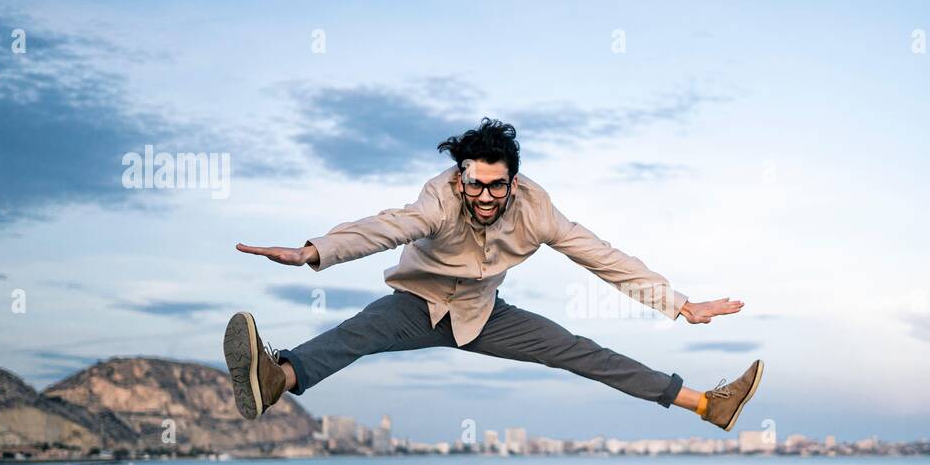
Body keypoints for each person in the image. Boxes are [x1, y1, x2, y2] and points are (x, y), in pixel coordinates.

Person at [224, 119, 763, 432]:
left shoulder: (537, 209)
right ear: (461, 179)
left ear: (512, 180)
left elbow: (601, 256)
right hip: (418, 304)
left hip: (482, 314)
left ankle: (706, 405)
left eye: (496, 186)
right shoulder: (437, 201)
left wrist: (678, 304)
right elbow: (385, 228)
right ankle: (277, 380)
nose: (485, 197)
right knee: (351, 337)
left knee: (580, 351)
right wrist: (312, 252)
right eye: (475, 185)